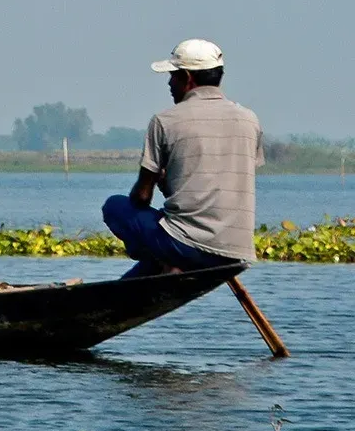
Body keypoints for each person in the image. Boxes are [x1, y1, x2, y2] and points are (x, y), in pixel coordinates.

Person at [102, 38, 262, 279]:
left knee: (115, 206)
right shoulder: (250, 119)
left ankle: (164, 259)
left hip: (185, 246)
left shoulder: (166, 121)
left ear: (187, 78)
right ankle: (163, 264)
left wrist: (158, 180)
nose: (169, 83)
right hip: (235, 249)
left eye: (173, 75)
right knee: (149, 271)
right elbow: (226, 180)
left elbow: (142, 197)